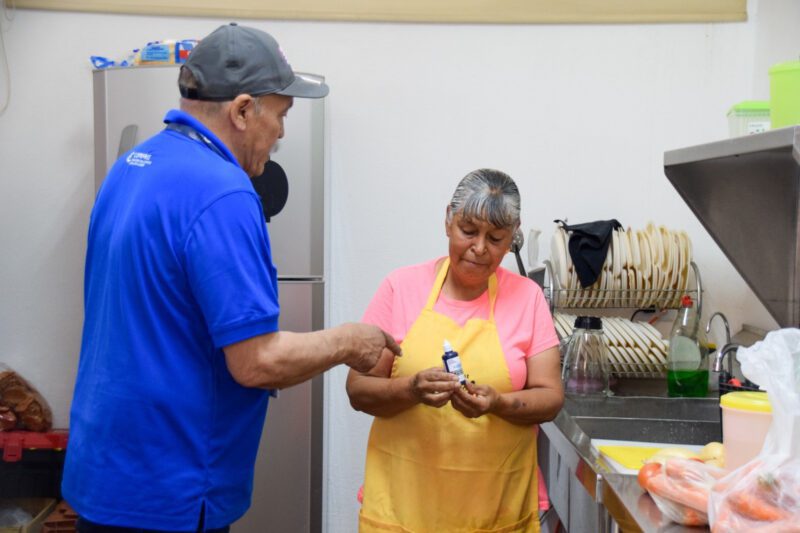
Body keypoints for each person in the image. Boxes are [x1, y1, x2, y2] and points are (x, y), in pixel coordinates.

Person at [62, 23, 400, 533]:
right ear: (243, 110)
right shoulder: (224, 192)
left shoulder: (132, 166)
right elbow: (256, 362)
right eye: (281, 115)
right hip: (171, 489)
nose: (283, 133)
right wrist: (353, 341)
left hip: (104, 475)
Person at [347, 168, 564, 533]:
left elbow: (551, 397)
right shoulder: (401, 288)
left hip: (496, 513)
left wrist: (499, 403)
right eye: (468, 231)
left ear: (513, 236)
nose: (480, 248)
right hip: (403, 512)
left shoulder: (527, 298)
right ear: (448, 220)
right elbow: (359, 390)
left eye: (496, 238)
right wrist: (411, 389)